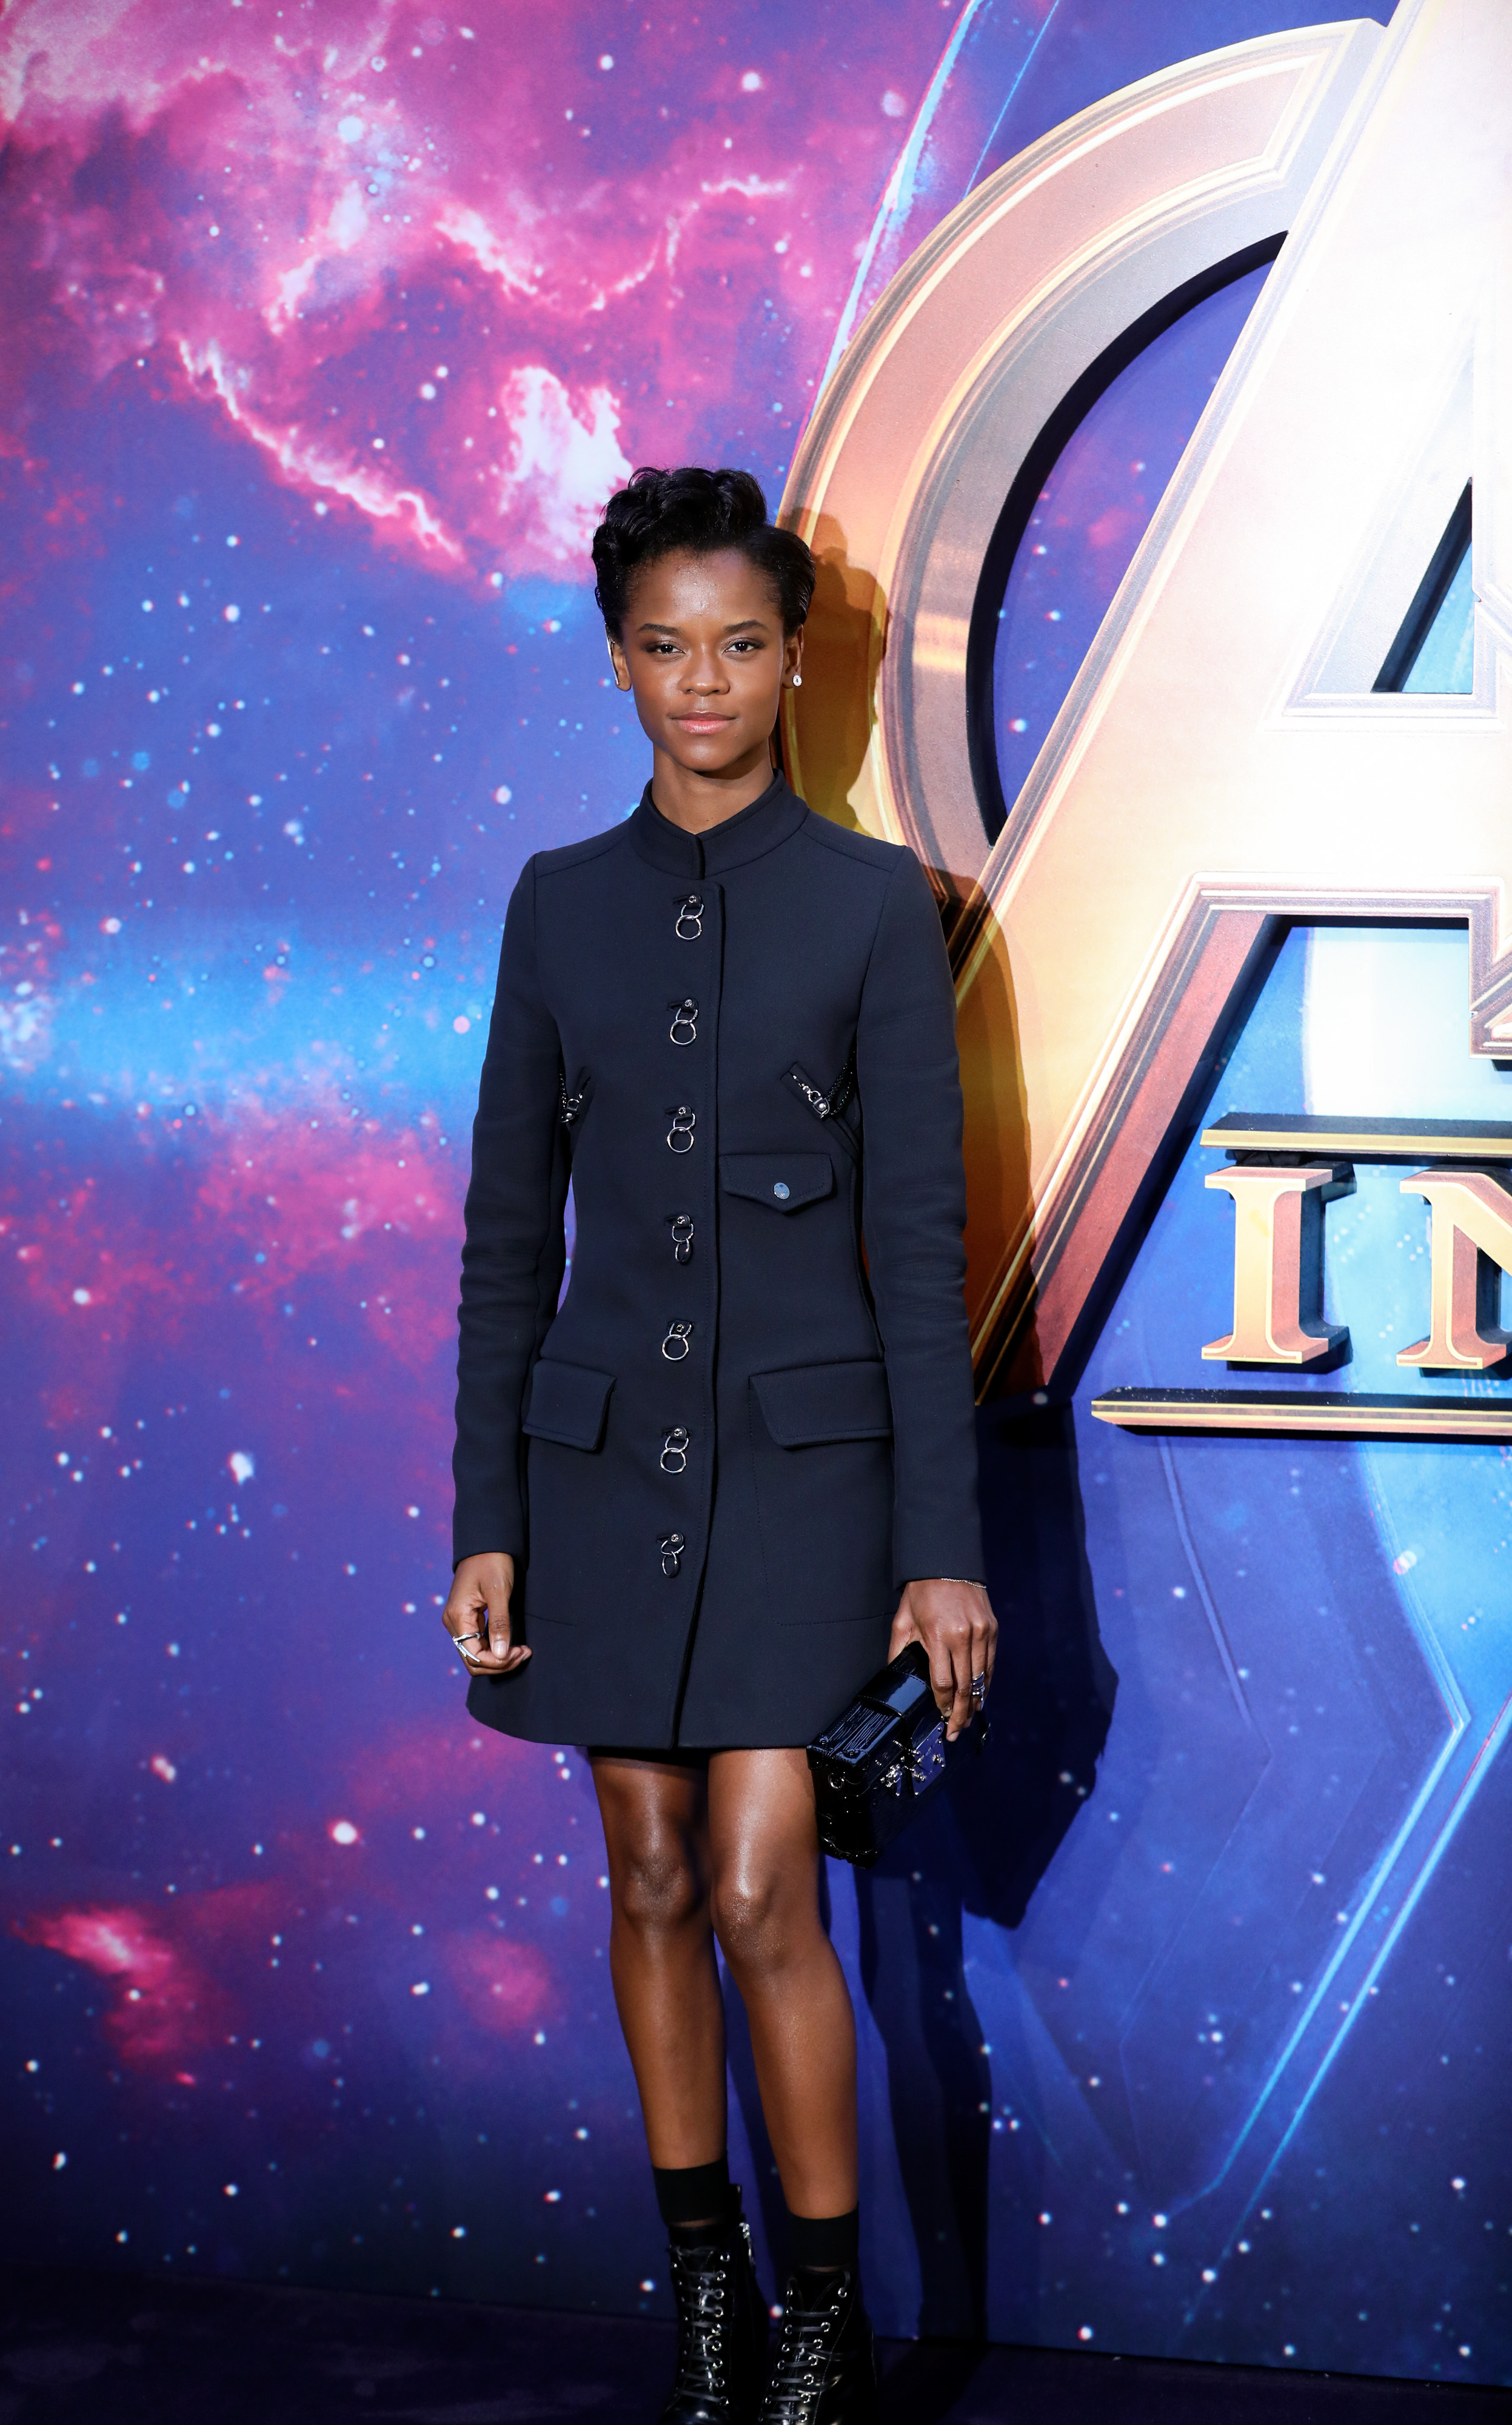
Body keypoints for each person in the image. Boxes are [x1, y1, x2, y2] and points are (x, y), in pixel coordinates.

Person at [444, 466, 996, 2424]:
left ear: (793, 661)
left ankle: (820, 2319)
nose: (704, 681)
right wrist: (487, 1511)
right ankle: (707, 2295)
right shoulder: (556, 903)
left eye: (740, 643)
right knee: (650, 1873)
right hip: (597, 1477)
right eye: (665, 647)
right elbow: (506, 1239)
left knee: (768, 1884)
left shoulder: (869, 905)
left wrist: (942, 1546)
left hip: (808, 1483)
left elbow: (918, 1247)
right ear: (616, 661)